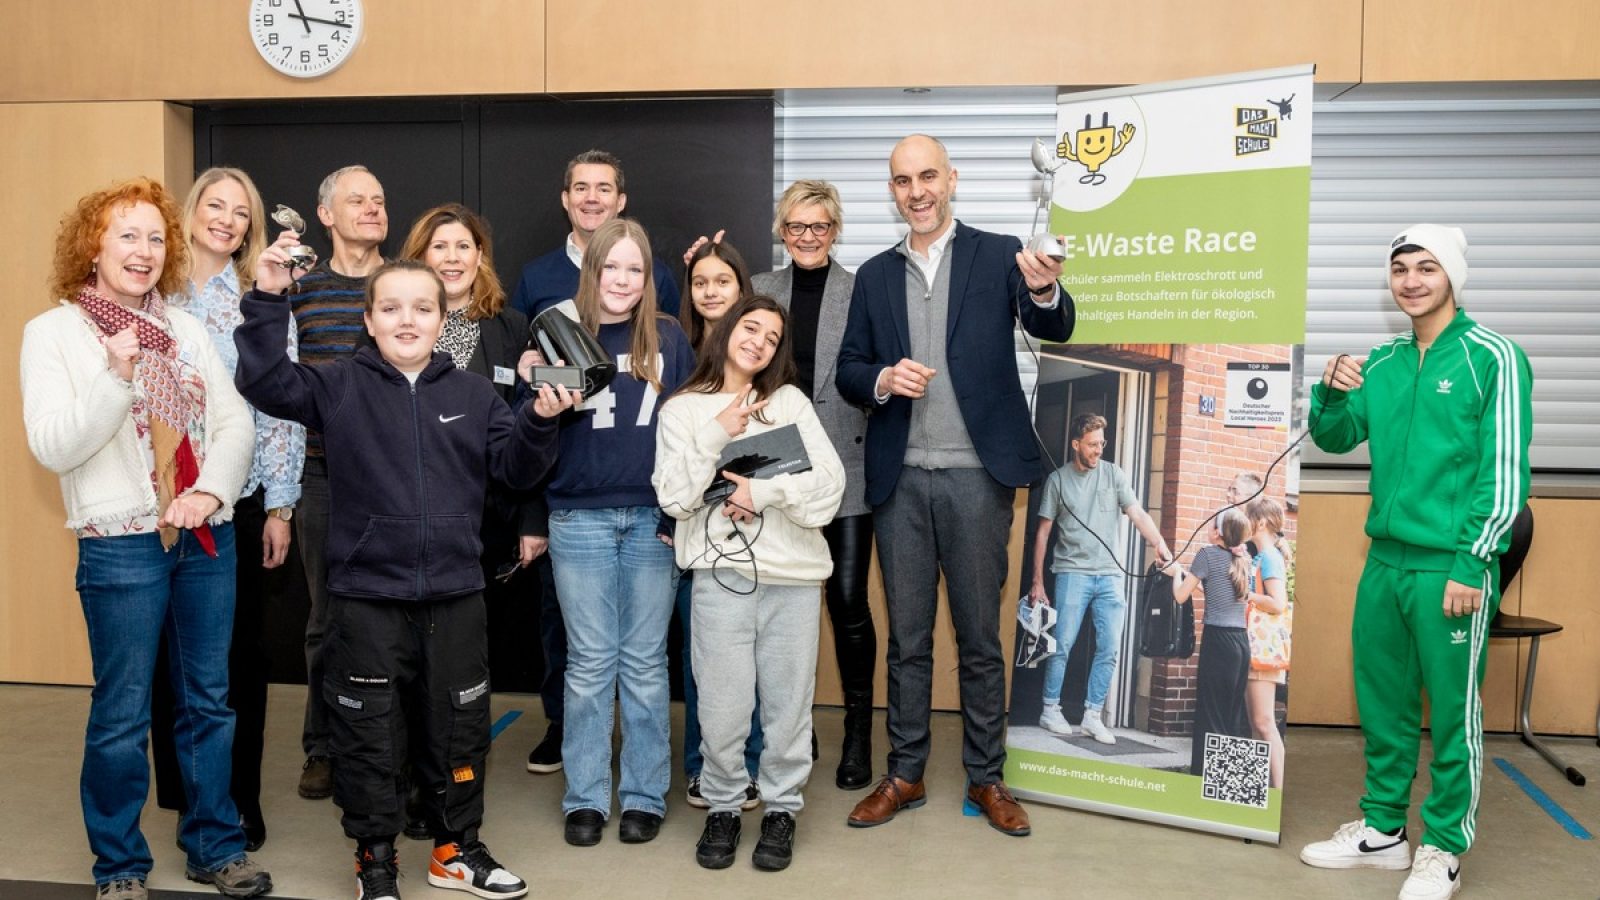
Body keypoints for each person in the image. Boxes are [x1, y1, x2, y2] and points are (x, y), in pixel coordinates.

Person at [237, 246, 573, 900]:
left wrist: (537, 419)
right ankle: (376, 862)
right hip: (365, 599)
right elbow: (264, 381)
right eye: (391, 308)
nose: (407, 320)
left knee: (462, 729)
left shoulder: (475, 394)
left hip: (456, 598)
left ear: (443, 317)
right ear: (369, 319)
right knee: (369, 735)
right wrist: (267, 299)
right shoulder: (337, 385)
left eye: (423, 308)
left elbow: (516, 471)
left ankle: (456, 851)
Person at [20, 177, 270, 900]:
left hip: (201, 538)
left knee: (208, 701)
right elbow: (55, 447)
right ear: (91, 248)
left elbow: (233, 424)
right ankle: (120, 866)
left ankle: (216, 847)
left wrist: (209, 492)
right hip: (120, 543)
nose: (144, 250)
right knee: (123, 710)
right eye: (126, 235)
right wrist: (116, 376)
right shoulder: (55, 333)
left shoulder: (184, 328)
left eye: (156, 237)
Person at [835, 134, 1072, 837]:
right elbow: (849, 367)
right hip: (899, 481)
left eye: (928, 175)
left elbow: (1053, 322)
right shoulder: (875, 275)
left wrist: (1042, 286)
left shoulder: (1000, 254)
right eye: (903, 180)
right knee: (907, 640)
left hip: (979, 478)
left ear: (952, 179)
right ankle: (904, 774)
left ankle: (987, 778)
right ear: (893, 190)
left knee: (978, 639)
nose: (917, 190)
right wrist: (881, 379)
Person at [1300, 224, 1531, 900]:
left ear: (1452, 276)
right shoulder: (1384, 360)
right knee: (1385, 705)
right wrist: (1333, 391)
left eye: (1426, 267)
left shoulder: (1495, 357)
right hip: (1385, 564)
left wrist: (1472, 560)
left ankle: (1443, 847)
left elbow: (1505, 475)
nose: (1411, 280)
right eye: (1400, 268)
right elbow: (1335, 437)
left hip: (1451, 569)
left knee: (1455, 714)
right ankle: (1382, 832)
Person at [517, 217, 695, 847]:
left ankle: (644, 793)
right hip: (578, 518)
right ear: (590, 272)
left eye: (635, 270)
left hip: (652, 519)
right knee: (589, 665)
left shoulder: (669, 341)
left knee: (646, 664)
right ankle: (586, 797)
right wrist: (530, 389)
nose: (621, 280)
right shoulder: (558, 338)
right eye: (610, 267)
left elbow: (693, 436)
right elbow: (527, 443)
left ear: (650, 280)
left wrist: (680, 515)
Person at [654, 294, 846, 871]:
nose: (758, 341)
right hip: (719, 576)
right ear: (725, 330)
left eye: (771, 336)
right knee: (722, 704)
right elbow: (674, 498)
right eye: (750, 327)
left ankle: (782, 808)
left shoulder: (788, 401)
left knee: (788, 706)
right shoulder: (683, 410)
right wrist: (715, 434)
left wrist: (759, 493)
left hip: (792, 579)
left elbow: (829, 489)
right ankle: (724, 807)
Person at [150, 166, 304, 853]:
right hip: (154, 502)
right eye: (215, 205)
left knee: (240, 659)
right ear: (190, 212)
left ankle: (238, 798)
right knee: (164, 657)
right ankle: (189, 799)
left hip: (236, 503)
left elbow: (281, 408)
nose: (228, 220)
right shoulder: (149, 292)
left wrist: (282, 505)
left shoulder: (262, 297)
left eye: (241, 212)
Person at [751, 179, 878, 790]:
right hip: (774, 467)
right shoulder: (759, 289)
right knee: (774, 604)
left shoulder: (864, 292)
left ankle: (857, 734)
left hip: (846, 468)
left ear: (835, 230)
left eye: (819, 227)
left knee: (848, 603)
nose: (808, 237)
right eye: (796, 227)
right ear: (782, 229)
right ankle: (782, 737)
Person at [291, 163, 389, 801]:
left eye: (379, 200)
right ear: (326, 215)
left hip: (394, 478)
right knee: (327, 619)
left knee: (396, 621)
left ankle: (390, 746)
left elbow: (448, 361)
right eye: (357, 201)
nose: (373, 209)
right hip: (322, 476)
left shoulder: (408, 281)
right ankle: (322, 748)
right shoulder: (299, 290)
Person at [677, 238, 764, 810]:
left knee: (750, 659)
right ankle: (700, 765)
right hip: (690, 523)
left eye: (722, 282)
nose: (710, 291)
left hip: (753, 523)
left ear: (742, 291)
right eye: (700, 281)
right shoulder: (673, 351)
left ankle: (750, 764)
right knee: (701, 660)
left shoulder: (761, 355)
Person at [1027, 413, 1173, 745]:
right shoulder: (1057, 481)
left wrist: (1159, 545)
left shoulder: (1114, 475)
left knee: (1110, 647)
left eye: (1102, 443)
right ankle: (1050, 709)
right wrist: (1037, 580)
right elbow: (1042, 534)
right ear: (1076, 444)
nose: (1098, 450)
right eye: (1092, 445)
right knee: (1062, 645)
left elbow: (1137, 513)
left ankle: (1093, 715)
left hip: (1110, 575)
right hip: (1071, 572)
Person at [1171, 508, 1254, 777]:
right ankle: (1228, 782)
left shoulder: (1206, 554)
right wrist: (1187, 574)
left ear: (1218, 532)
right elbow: (1215, 587)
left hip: (1218, 641)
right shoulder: (1244, 559)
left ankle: (1203, 780)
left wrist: (1175, 575)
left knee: (1211, 713)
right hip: (1240, 643)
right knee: (1231, 714)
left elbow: (1180, 597)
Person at [1243, 495, 1292, 789]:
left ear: (1259, 522)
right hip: (1257, 647)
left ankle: (1276, 790)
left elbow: (1278, 602)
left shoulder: (1270, 557)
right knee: (1257, 724)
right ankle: (1262, 790)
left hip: (1263, 649)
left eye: (1248, 518)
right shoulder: (1262, 556)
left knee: (1263, 723)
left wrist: (1245, 595)